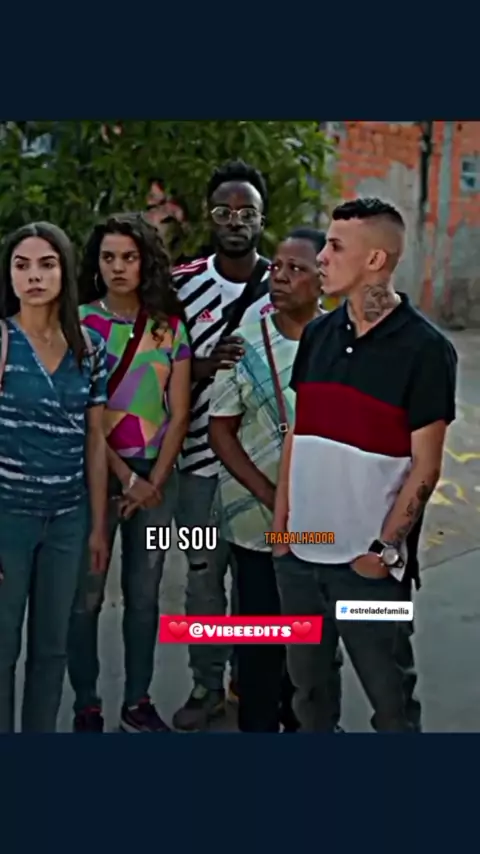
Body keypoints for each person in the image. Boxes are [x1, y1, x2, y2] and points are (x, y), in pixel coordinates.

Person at [272, 197, 457, 732]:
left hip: (370, 570)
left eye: (335, 246)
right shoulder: (317, 335)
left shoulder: (426, 349)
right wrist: (281, 532)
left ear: (376, 259)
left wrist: (383, 551)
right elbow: (298, 435)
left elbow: (426, 467)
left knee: (391, 700)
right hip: (300, 560)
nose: (321, 257)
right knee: (309, 694)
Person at [208, 228, 345, 732]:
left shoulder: (345, 343)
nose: (280, 277)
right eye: (277, 267)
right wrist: (271, 498)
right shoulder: (244, 342)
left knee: (313, 641)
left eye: (296, 269)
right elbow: (220, 430)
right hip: (257, 521)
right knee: (260, 640)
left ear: (322, 279)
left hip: (323, 523)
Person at [68, 212, 191, 733]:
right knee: (87, 595)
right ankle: (87, 703)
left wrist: (154, 481)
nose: (118, 267)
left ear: (146, 263)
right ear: (96, 264)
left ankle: (137, 701)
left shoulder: (169, 327)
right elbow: (81, 415)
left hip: (157, 479)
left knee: (144, 596)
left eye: (129, 257)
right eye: (108, 257)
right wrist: (127, 478)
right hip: (94, 474)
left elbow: (179, 412)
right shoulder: (77, 324)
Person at [171, 160, 274, 731]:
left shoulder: (284, 283)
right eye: (223, 211)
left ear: (262, 219)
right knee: (203, 577)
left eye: (246, 212)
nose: (235, 221)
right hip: (195, 466)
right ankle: (205, 684)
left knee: (259, 585)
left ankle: (248, 680)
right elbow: (156, 367)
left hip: (261, 468)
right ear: (209, 218)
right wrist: (204, 366)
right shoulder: (182, 282)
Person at [0, 222, 108, 733]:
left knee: (52, 649)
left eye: (46, 265)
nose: (34, 277)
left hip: (68, 519)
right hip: (8, 518)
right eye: (22, 266)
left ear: (64, 271)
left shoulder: (89, 347)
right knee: (2, 649)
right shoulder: (2, 340)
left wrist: (98, 526)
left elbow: (95, 439)